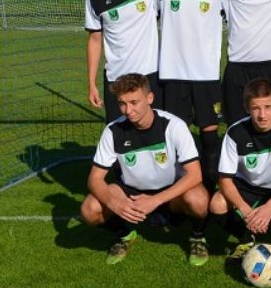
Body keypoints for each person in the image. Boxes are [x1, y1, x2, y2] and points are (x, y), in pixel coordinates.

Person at [79, 73, 210, 265]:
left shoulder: (173, 126)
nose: (128, 110)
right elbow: (94, 179)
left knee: (198, 199)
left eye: (134, 102)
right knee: (89, 210)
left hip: (171, 193)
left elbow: (195, 174)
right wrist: (114, 204)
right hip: (131, 193)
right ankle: (124, 234)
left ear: (150, 98)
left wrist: (155, 200)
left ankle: (197, 237)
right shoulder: (113, 131)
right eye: (122, 103)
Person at [210, 78, 271, 263]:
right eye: (256, 108)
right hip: (248, 186)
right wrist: (247, 212)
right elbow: (225, 180)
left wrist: (270, 207)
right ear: (246, 107)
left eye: (267, 107)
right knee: (217, 204)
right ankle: (245, 238)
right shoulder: (234, 133)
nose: (262, 115)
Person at [156, 0, 224, 189]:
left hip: (206, 74)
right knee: (176, 135)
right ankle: (177, 190)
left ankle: (210, 186)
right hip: (173, 75)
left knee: (209, 133)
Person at [85, 0, 163, 123]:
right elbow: (95, 40)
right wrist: (91, 83)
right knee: (119, 134)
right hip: (117, 78)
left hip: (149, 76)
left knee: (153, 131)